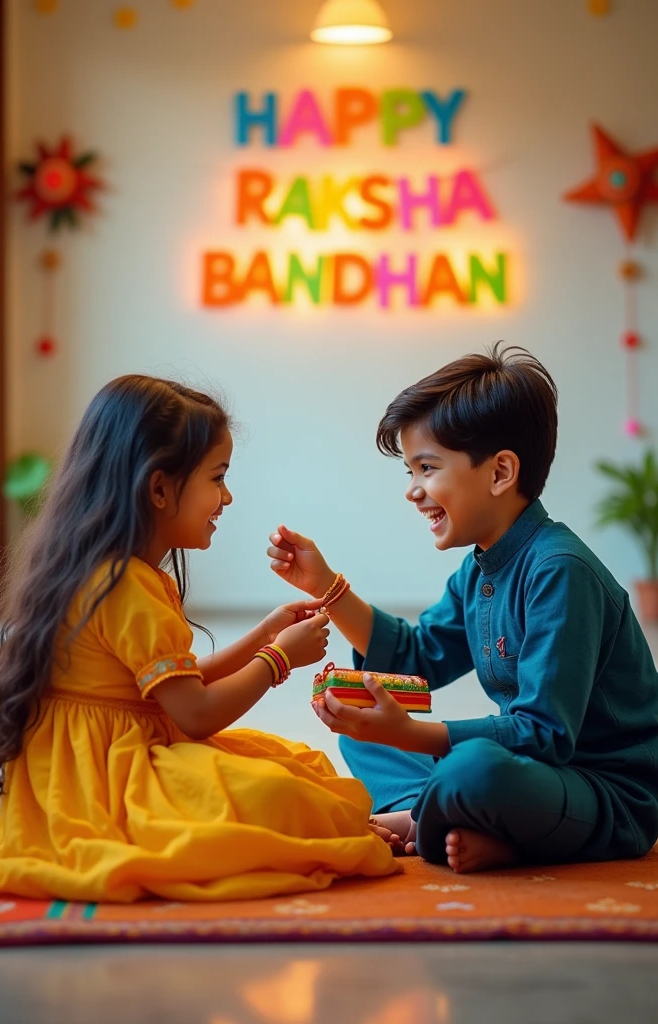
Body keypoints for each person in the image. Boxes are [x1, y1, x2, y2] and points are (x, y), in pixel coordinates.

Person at [0, 375, 395, 901]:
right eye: (217, 478)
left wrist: (264, 632)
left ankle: (343, 822)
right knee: (276, 791)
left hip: (111, 762)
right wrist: (277, 658)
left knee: (293, 764)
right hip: (106, 788)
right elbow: (195, 715)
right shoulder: (123, 585)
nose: (227, 497)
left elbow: (178, 684)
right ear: (159, 488)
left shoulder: (117, 573)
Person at [268, 343, 658, 874]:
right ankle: (462, 824)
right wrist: (326, 586)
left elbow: (544, 734)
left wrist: (410, 734)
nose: (412, 491)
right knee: (366, 736)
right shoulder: (478, 569)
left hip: (603, 792)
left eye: (426, 468)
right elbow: (415, 655)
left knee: (472, 768)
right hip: (531, 774)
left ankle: (420, 820)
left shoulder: (560, 570)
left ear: (500, 473)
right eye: (410, 471)